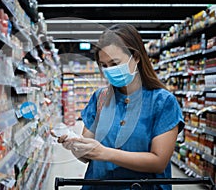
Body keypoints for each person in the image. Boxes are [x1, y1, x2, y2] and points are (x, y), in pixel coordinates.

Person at [51, 23, 185, 190]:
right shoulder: (100, 98)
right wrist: (75, 146)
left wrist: (105, 153)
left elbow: (158, 162)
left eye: (115, 63)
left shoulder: (163, 102)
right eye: (104, 65)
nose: (109, 70)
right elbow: (88, 155)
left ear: (136, 57)